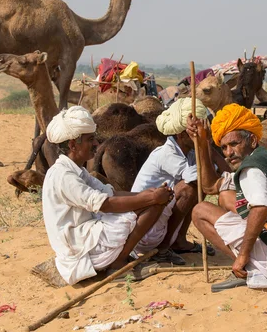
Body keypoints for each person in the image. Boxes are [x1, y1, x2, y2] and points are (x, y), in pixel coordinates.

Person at [187, 103, 267, 293]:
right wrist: (201, 143)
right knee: (225, 196)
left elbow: (261, 208)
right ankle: (254, 261)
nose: (228, 153)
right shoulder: (264, 158)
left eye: (234, 144)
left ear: (253, 141)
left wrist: (242, 256)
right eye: (223, 148)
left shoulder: (252, 169)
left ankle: (250, 268)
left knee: (200, 211)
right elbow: (210, 186)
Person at [42, 106, 174, 285]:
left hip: (86, 235)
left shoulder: (77, 171)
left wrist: (148, 193)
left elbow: (110, 193)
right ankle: (119, 261)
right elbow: (105, 204)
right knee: (153, 205)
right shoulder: (63, 176)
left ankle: (119, 256)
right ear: (73, 145)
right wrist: (152, 199)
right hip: (79, 247)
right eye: (90, 140)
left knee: (150, 202)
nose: (96, 144)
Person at [130, 97, 220, 265]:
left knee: (199, 185)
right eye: (194, 131)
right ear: (181, 134)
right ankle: (163, 249)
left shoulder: (190, 153)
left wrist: (205, 144)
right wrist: (204, 144)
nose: (199, 133)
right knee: (190, 188)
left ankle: (179, 240)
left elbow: (213, 174)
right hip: (145, 230)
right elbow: (202, 178)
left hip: (160, 221)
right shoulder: (166, 153)